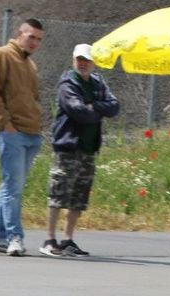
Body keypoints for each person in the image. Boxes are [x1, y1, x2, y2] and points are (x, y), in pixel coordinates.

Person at [41, 43, 119, 257]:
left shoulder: (98, 83)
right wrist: (97, 108)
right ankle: (49, 239)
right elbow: (78, 111)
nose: (83, 63)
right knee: (58, 192)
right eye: (79, 59)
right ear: (73, 60)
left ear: (93, 63)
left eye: (87, 60)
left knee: (79, 196)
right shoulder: (68, 83)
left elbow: (114, 106)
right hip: (67, 146)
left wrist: (94, 106)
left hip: (88, 148)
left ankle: (68, 240)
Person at [0, 18, 45, 257]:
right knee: (13, 188)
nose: (34, 42)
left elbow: (34, 98)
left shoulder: (31, 64)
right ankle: (14, 238)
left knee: (11, 186)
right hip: (12, 133)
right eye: (31, 37)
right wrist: (5, 124)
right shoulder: (2, 54)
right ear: (20, 33)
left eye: (39, 39)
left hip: (31, 133)